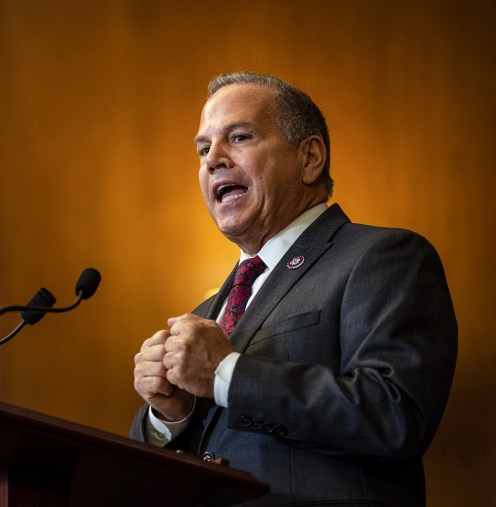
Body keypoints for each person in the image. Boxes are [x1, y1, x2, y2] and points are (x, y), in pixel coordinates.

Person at [131, 71, 457, 506]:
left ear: (310, 158)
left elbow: (394, 416)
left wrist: (228, 373)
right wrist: (169, 416)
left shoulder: (382, 257)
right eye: (203, 149)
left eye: (240, 137)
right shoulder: (208, 310)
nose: (213, 160)